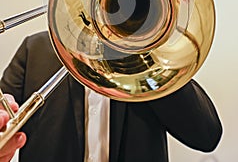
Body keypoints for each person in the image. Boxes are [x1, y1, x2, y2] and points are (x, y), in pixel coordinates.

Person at [0, 31, 222, 162]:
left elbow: (206, 135)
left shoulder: (151, 60)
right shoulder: (35, 48)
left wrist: (145, 53)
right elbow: (4, 114)